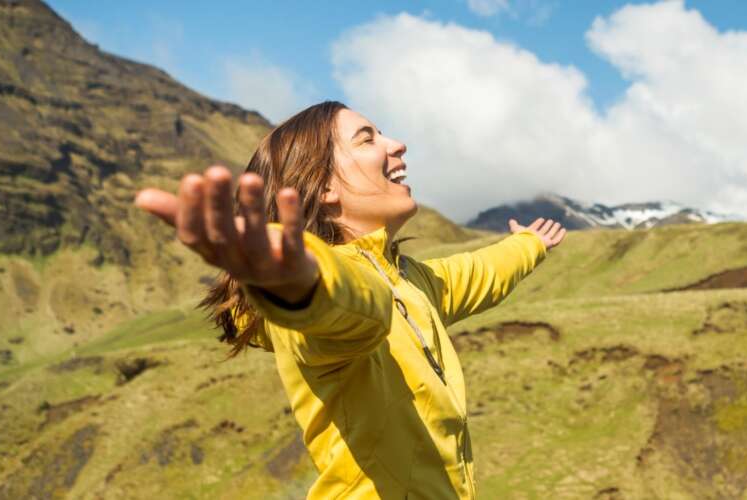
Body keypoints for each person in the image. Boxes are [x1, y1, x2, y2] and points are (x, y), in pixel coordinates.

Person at [132, 100, 566, 499]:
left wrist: (528, 245)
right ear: (323, 188)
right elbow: (346, 305)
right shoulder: (338, 292)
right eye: (368, 138)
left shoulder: (410, 280)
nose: (397, 145)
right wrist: (297, 281)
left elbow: (478, 272)